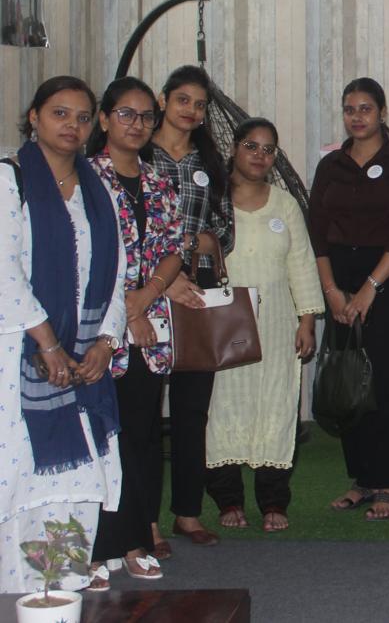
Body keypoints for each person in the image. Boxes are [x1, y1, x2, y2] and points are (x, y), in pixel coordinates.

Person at [0, 76, 126, 593]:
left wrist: (105, 341)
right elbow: (4, 269)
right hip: (17, 356)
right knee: (23, 480)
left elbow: (118, 273)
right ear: (33, 116)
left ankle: (61, 590)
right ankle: (17, 595)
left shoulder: (100, 190)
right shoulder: (10, 179)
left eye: (80, 116)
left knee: (75, 484)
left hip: (82, 361)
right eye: (59, 113)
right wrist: (47, 342)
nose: (71, 125)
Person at [84, 77, 187, 589]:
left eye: (146, 116)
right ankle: (96, 548)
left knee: (145, 436)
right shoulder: (84, 179)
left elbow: (174, 249)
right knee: (104, 438)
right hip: (98, 329)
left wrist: (147, 297)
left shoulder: (158, 181)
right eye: (125, 114)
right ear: (103, 119)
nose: (137, 124)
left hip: (151, 329)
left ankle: (136, 541)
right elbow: (89, 260)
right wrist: (129, 309)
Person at [310, 78, 389, 521]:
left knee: (377, 378)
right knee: (345, 380)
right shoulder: (331, 165)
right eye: (349, 109)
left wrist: (369, 289)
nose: (357, 117)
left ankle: (388, 482)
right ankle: (360, 479)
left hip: (386, 277)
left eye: (366, 109)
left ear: (382, 113)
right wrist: (332, 292)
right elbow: (316, 233)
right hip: (337, 278)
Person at [206, 118, 323, 532]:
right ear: (235, 149)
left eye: (268, 149)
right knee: (221, 409)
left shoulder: (284, 204)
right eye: (251, 146)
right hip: (221, 324)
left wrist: (306, 320)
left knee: (276, 405)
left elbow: (302, 264)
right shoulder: (212, 199)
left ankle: (274, 502)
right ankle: (228, 501)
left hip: (275, 324)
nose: (260, 155)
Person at [149, 65, 234, 552]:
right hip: (147, 288)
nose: (191, 111)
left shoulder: (208, 159)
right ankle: (146, 523)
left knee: (191, 407)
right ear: (163, 101)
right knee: (141, 413)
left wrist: (209, 240)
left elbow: (225, 230)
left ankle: (186, 514)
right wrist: (172, 264)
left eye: (199, 104)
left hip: (197, 287)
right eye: (182, 100)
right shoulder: (138, 153)